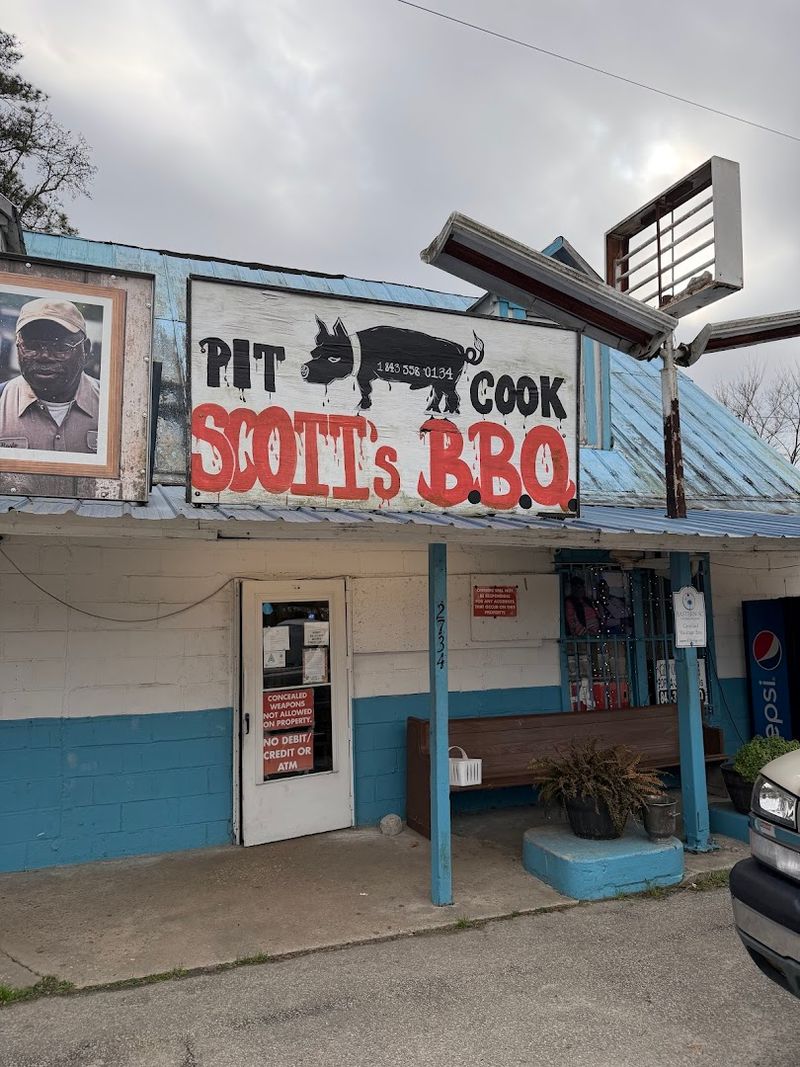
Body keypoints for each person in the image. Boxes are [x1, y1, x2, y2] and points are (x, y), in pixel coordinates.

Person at [0, 298, 99, 453]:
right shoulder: (1, 400)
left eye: (60, 346)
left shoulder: (113, 407)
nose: (44, 356)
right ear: (18, 346)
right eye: (32, 345)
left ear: (85, 350)